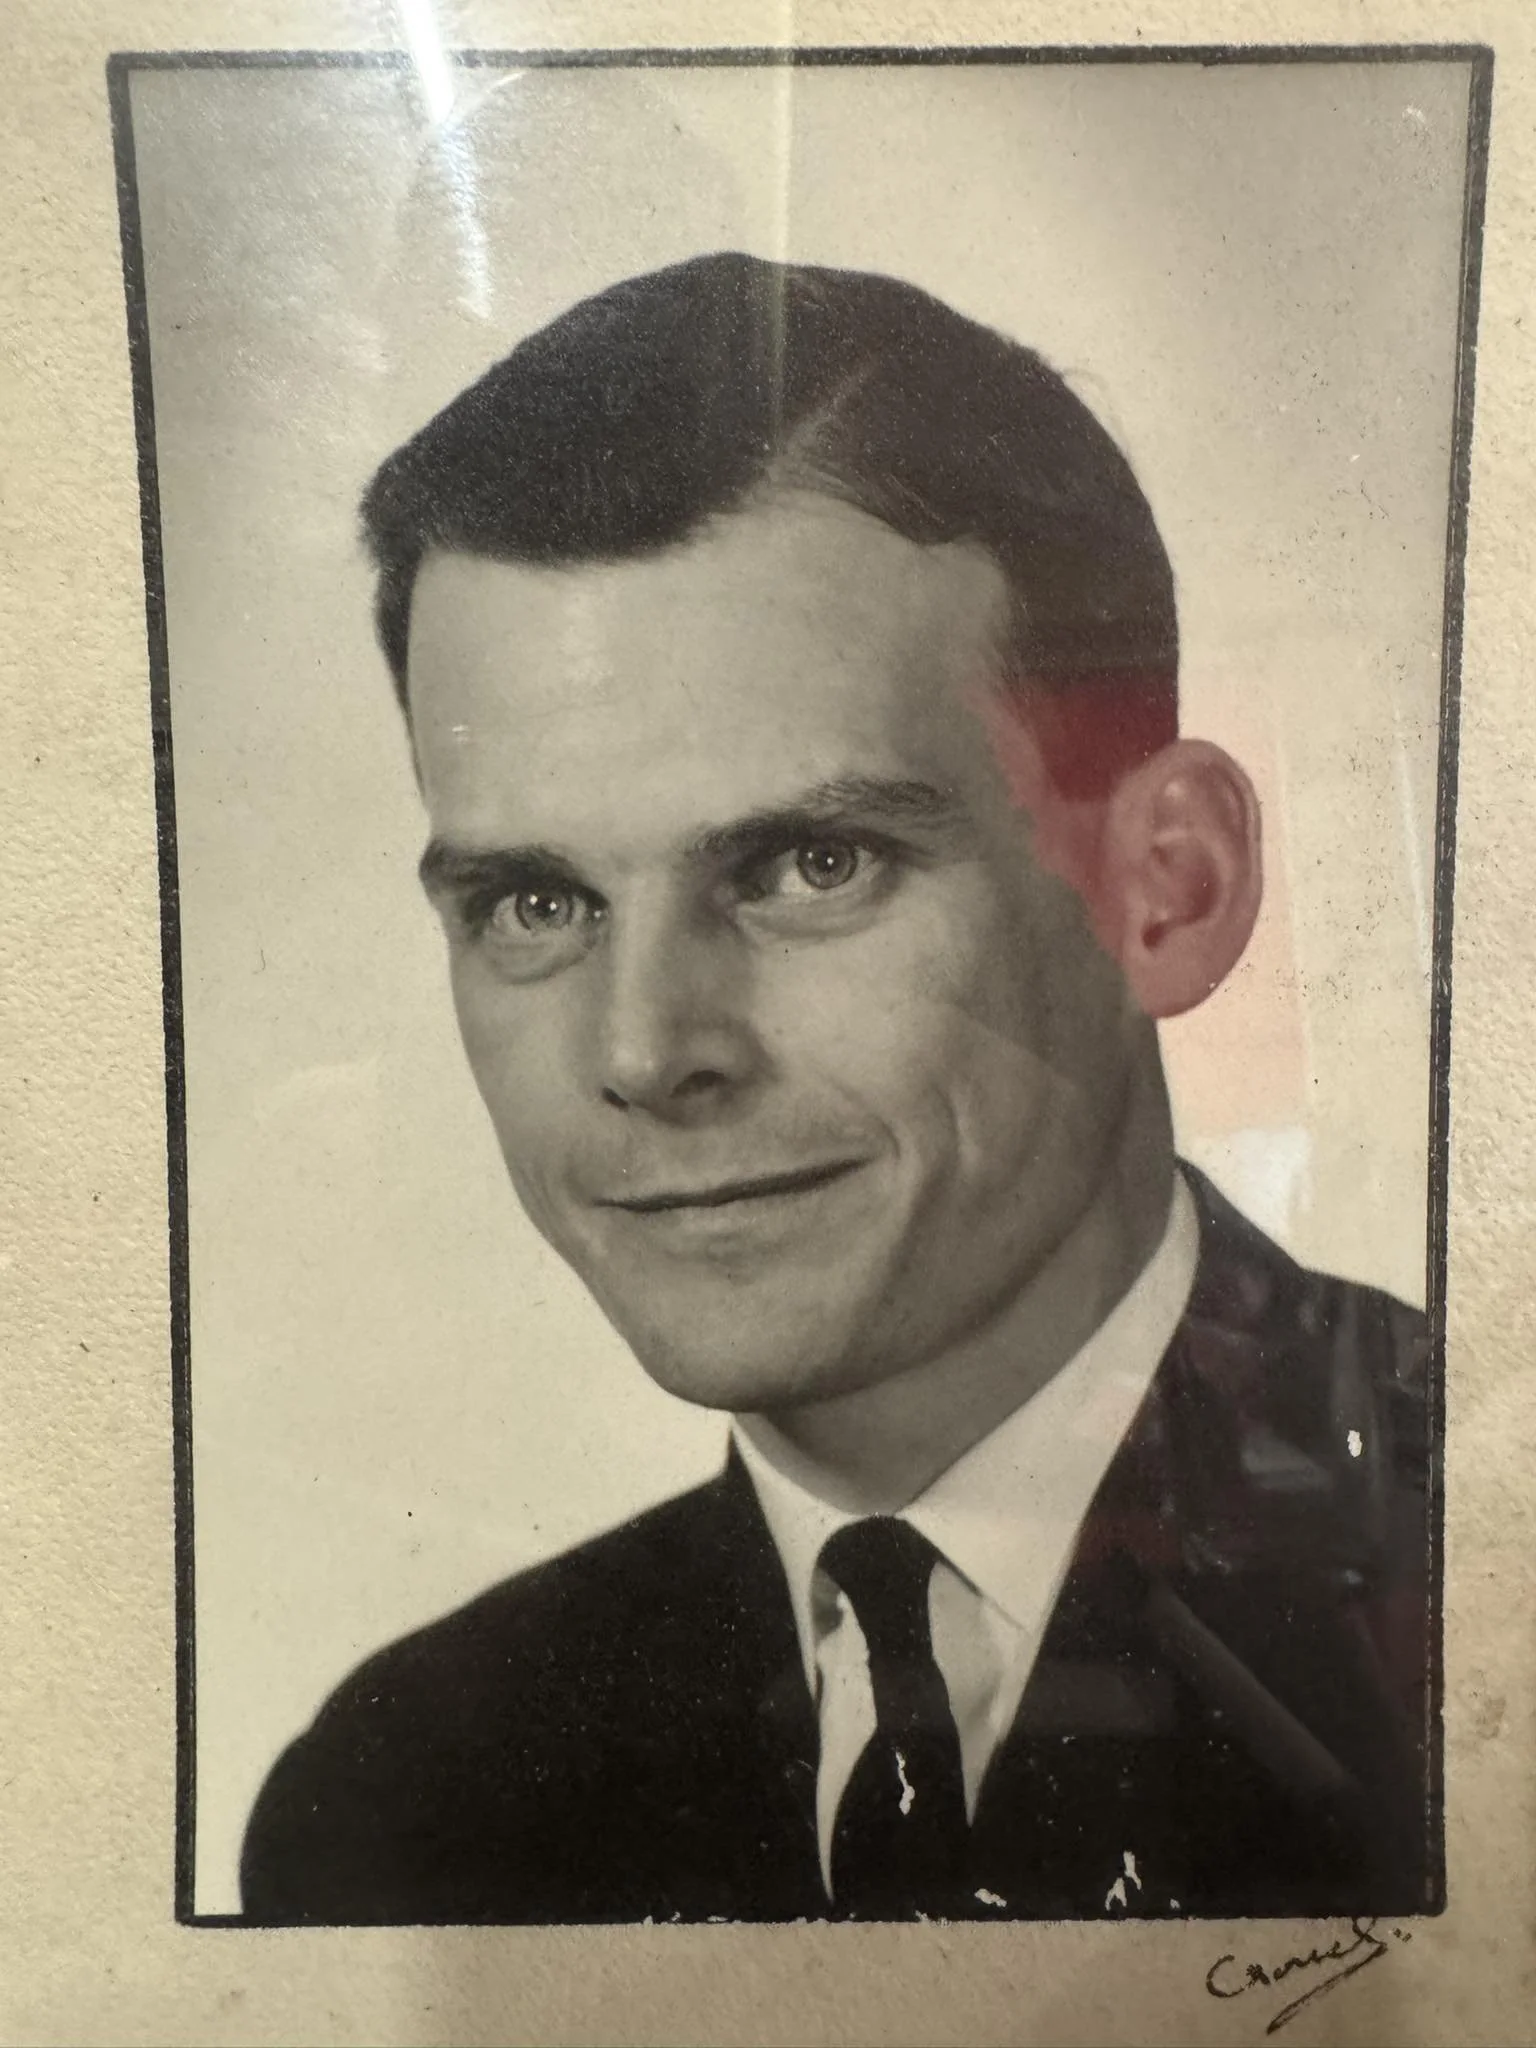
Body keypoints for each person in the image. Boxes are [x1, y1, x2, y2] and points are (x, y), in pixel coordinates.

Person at [239, 253, 1435, 1925]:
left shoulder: (1484, 1578)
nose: (646, 1052)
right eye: (536, 904)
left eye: (812, 862)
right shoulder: (401, 1800)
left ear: (1168, 888)